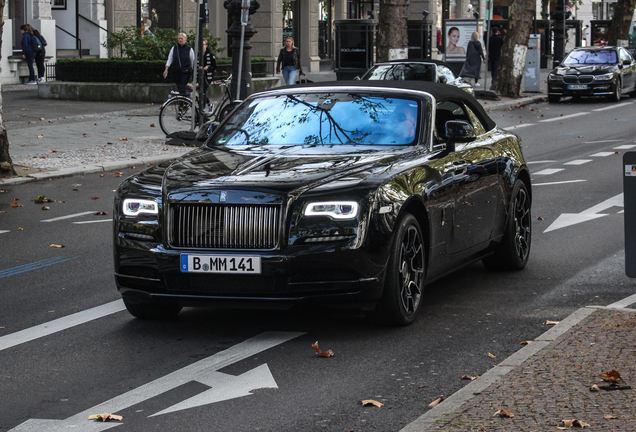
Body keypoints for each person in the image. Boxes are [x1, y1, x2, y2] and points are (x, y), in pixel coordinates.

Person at [201, 39, 217, 106]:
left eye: (203, 44)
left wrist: (208, 68)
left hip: (208, 77)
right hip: (201, 76)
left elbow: (215, 67)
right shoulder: (199, 55)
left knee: (203, 91)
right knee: (201, 92)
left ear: (206, 45)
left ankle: (203, 107)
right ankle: (209, 104)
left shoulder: (210, 55)